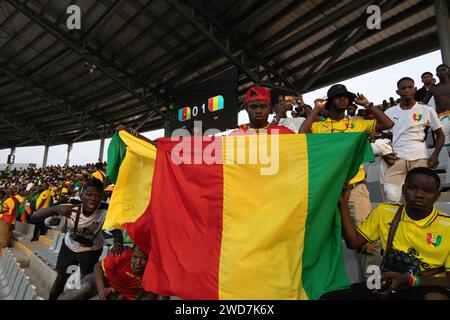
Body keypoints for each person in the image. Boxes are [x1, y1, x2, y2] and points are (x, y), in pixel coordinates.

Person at [301, 84, 394, 280]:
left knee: (367, 240)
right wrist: (316, 110)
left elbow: (387, 124)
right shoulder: (319, 126)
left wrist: (368, 105)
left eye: (346, 97)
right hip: (327, 189)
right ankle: (325, 284)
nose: (343, 99)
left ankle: (371, 285)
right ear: (330, 101)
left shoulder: (358, 124)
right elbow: (301, 135)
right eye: (338, 97)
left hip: (355, 188)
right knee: (323, 240)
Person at [323, 167, 450, 300]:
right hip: (387, 282)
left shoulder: (447, 227)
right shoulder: (384, 212)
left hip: (424, 285)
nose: (419, 194)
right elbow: (353, 242)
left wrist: (410, 280)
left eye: (427, 191)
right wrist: (343, 204)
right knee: (329, 297)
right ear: (403, 190)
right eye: (413, 188)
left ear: (437, 195)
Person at [30, 179, 108, 300]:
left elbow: (119, 229)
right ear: (81, 194)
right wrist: (55, 209)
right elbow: (34, 217)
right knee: (61, 279)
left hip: (91, 250)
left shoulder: (106, 209)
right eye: (89, 194)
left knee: (83, 285)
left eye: (97, 196)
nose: (93, 198)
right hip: (69, 247)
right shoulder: (70, 204)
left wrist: (118, 241)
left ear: (101, 197)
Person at [383, 77, 445, 202]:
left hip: (419, 158)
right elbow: (384, 136)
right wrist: (385, 153)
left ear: (415, 89)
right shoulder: (390, 112)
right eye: (403, 88)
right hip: (397, 158)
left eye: (410, 87)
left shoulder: (426, 109)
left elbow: (440, 134)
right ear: (397, 92)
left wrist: (435, 154)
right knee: (391, 196)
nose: (407, 90)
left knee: (418, 196)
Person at [230, 86, 295, 135]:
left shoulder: (284, 133)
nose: (258, 111)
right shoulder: (235, 136)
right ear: (247, 109)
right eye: (253, 107)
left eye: (263, 106)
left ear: (270, 108)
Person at [422, 64, 450, 149]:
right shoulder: (433, 88)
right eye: (438, 71)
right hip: (442, 117)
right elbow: (423, 103)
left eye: (443, 70)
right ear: (436, 74)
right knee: (444, 143)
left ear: (448, 70)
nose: (440, 72)